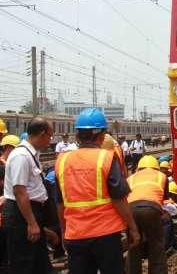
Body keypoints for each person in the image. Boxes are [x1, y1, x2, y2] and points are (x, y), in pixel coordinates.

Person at [55, 108, 140, 274]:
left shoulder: (62, 161)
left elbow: (60, 203)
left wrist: (64, 230)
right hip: (106, 234)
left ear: (77, 135)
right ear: (101, 136)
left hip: (75, 234)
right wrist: (132, 227)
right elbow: (119, 199)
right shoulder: (106, 158)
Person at [2, 118, 55, 274]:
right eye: (50, 136)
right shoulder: (21, 156)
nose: (50, 140)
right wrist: (32, 223)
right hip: (22, 216)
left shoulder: (31, 154)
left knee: (39, 262)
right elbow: (20, 192)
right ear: (42, 134)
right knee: (24, 262)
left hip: (29, 213)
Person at [127, 155, 169, 274]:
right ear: (156, 167)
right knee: (156, 245)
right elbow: (164, 199)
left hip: (131, 210)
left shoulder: (131, 178)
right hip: (152, 209)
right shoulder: (162, 176)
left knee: (134, 245)